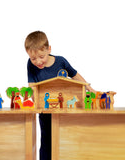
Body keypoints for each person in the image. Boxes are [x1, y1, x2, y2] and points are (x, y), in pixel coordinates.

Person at [24, 31, 96, 160]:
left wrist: (91, 89)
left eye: (41, 56)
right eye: (33, 58)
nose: (38, 61)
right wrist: (34, 100)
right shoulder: (30, 65)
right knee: (46, 140)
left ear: (49, 49)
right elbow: (31, 85)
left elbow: (75, 75)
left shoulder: (61, 61)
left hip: (65, 111)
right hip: (45, 111)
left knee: (65, 138)